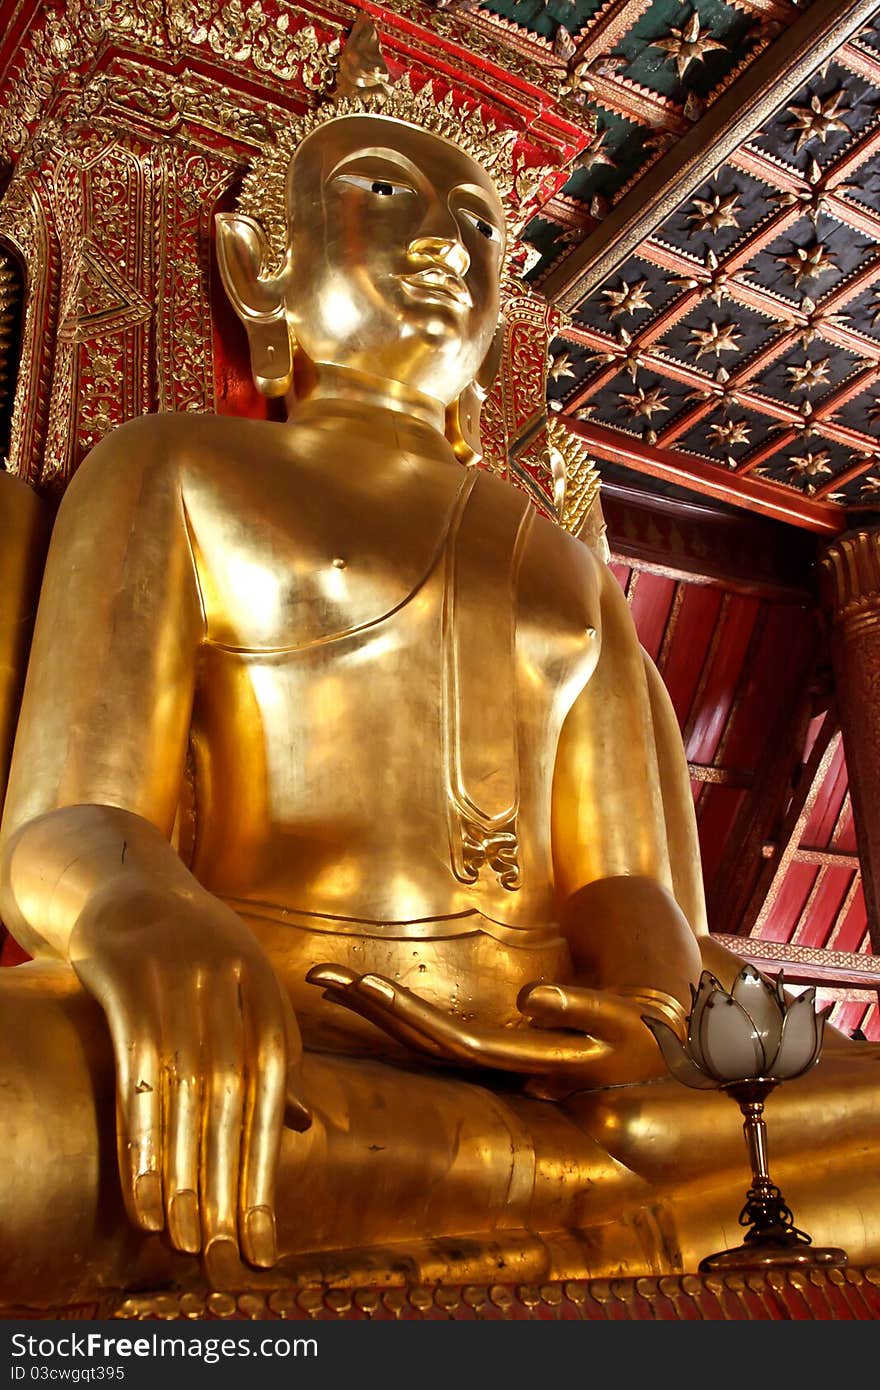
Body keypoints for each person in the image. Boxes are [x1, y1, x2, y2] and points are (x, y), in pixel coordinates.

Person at [0, 27, 877, 1307]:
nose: (437, 244)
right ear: (261, 270)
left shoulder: (568, 563)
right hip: (286, 1038)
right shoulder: (175, 467)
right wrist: (143, 915)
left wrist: (640, 1007)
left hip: (564, 1082)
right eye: (380, 191)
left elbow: (632, 881)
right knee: (22, 1116)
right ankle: (589, 1246)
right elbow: (71, 820)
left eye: (473, 224)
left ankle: (547, 1228)